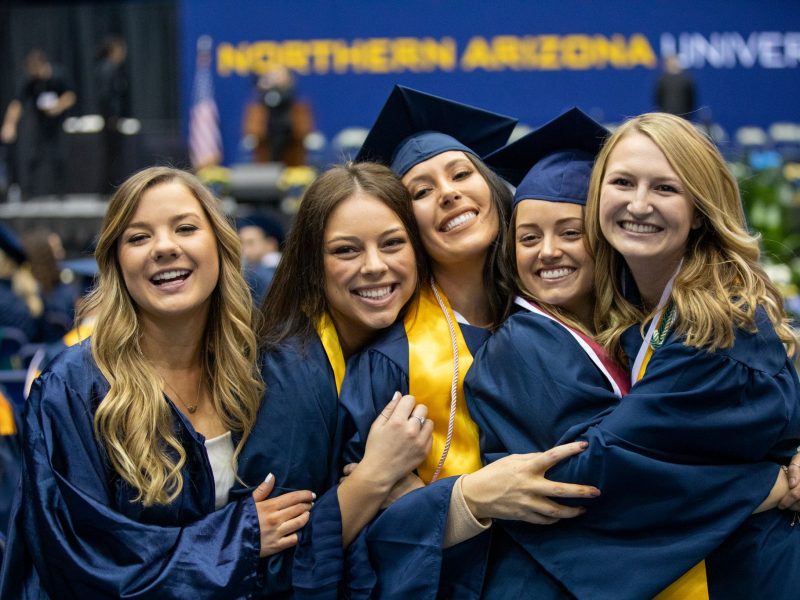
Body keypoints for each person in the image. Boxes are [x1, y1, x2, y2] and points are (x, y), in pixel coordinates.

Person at [470, 112, 800, 599]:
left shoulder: (715, 325)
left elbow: (610, 472)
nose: (638, 203)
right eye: (623, 182)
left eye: (665, 188)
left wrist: (472, 493)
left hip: (753, 571)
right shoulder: (635, 309)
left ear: (700, 208)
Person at [297, 87, 599, 599]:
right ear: (407, 225)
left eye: (461, 174)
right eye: (420, 190)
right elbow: (373, 545)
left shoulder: (572, 308)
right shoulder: (392, 363)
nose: (449, 193)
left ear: (491, 186)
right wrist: (456, 504)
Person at [0, 166, 316, 598]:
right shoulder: (74, 389)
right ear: (116, 262)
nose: (164, 247)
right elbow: (81, 560)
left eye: (185, 228)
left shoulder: (264, 373)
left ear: (221, 247)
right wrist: (237, 538)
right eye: (138, 237)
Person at [253, 161, 434, 596]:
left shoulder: (407, 344)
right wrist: (375, 476)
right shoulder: (289, 374)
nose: (374, 266)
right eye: (346, 251)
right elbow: (282, 559)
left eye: (393, 243)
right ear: (313, 265)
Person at [1, 49, 76, 198]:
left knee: (59, 156)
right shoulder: (31, 81)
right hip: (41, 124)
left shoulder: (58, 76)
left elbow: (70, 96)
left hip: (57, 124)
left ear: (42, 65)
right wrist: (9, 124)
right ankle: (27, 192)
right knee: (33, 156)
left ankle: (61, 193)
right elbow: (17, 103)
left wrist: (58, 106)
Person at [241, 66, 314, 166]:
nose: (276, 81)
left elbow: (303, 131)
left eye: (280, 78)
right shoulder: (258, 106)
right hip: (266, 149)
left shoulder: (298, 106)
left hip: (292, 149)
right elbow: (252, 131)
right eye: (273, 78)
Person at [96, 35, 131, 192]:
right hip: (111, 118)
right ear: (113, 51)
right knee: (112, 155)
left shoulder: (114, 69)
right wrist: (111, 116)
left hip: (112, 117)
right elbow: (105, 95)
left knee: (114, 155)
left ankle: (109, 188)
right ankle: (108, 188)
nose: (123, 54)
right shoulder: (107, 69)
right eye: (121, 50)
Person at [237, 212, 284, 303]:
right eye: (241, 243)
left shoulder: (256, 276)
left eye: (250, 243)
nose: (243, 249)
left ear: (271, 244)